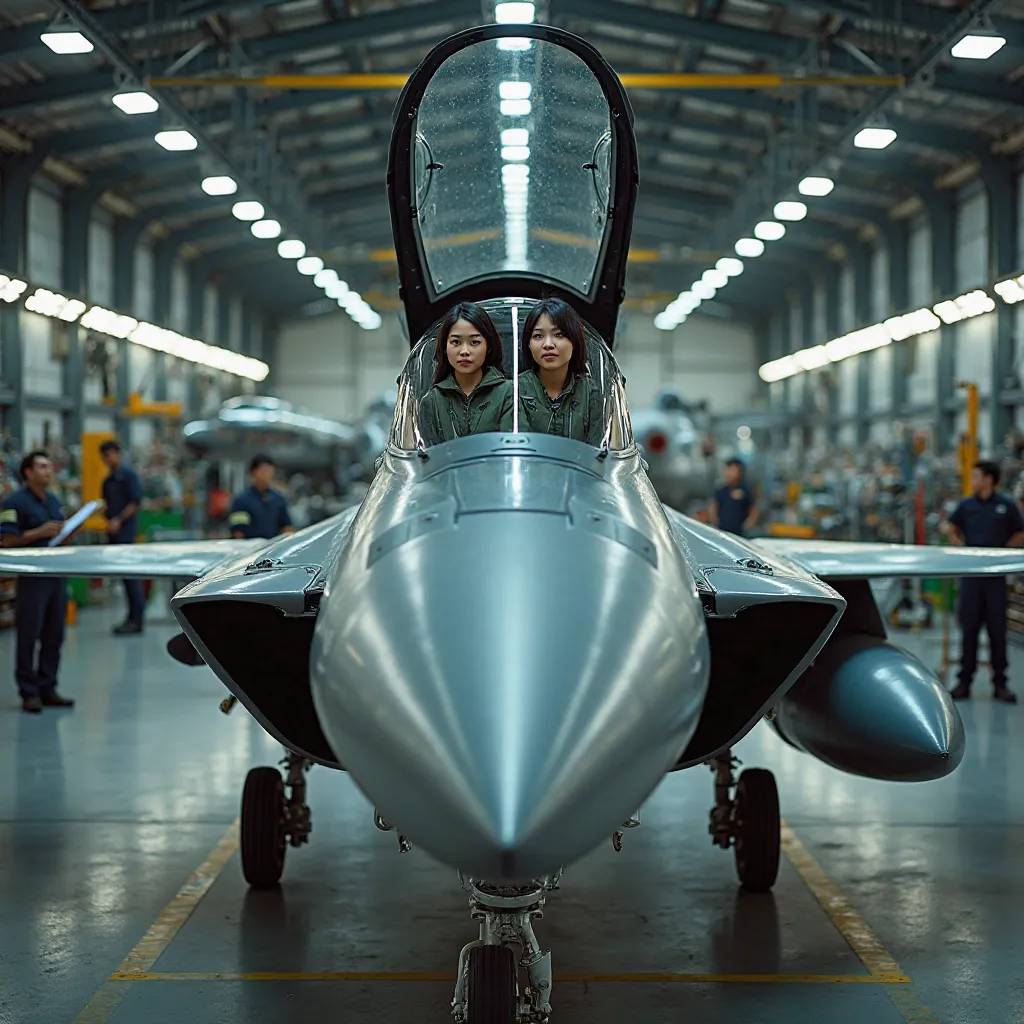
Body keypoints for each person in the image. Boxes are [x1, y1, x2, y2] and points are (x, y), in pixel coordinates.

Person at [1, 451, 76, 714]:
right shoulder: (14, 503)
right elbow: (7, 540)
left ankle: (48, 687)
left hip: (56, 575)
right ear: (28, 472)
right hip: (33, 577)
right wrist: (39, 532)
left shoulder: (54, 500)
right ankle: (28, 692)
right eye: (42, 466)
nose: (49, 471)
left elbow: (59, 534)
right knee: (28, 635)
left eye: (50, 466)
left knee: (54, 634)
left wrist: (66, 533)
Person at [944, 459, 1024, 703]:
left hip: (995, 579)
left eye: (976, 476)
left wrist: (1004, 552)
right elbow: (950, 527)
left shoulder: (1005, 506)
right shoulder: (967, 506)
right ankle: (964, 681)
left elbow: (1020, 531)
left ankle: (1000, 683)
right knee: (969, 629)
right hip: (971, 577)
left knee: (997, 631)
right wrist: (963, 548)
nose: (973, 480)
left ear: (989, 479)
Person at [512, 297, 605, 444]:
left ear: (574, 341)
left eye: (559, 335)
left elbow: (598, 453)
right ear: (528, 344)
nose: (548, 344)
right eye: (538, 336)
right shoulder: (514, 391)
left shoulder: (590, 393)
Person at [417, 302, 512, 445]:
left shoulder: (508, 393)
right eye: (456, 342)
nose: (464, 351)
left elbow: (511, 450)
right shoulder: (431, 401)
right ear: (444, 346)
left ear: (488, 346)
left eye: (474, 342)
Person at [100, 440, 145, 635]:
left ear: (117, 454)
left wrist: (118, 520)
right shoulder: (108, 480)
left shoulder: (128, 476)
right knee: (124, 579)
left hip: (126, 533)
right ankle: (131, 618)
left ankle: (136, 620)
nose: (107, 460)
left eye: (109, 455)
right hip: (114, 534)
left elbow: (135, 502)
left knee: (131, 577)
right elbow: (108, 505)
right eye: (104, 457)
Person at [229, 455, 296, 539]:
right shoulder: (242, 501)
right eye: (264, 471)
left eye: (270, 471)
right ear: (253, 472)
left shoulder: (278, 499)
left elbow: (287, 527)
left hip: (273, 547)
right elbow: (238, 532)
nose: (267, 475)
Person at [709, 459, 758, 537]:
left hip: (740, 534)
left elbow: (753, 510)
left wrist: (748, 524)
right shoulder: (721, 490)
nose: (730, 473)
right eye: (728, 469)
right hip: (722, 531)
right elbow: (713, 507)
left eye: (733, 470)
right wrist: (715, 522)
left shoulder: (745, 490)